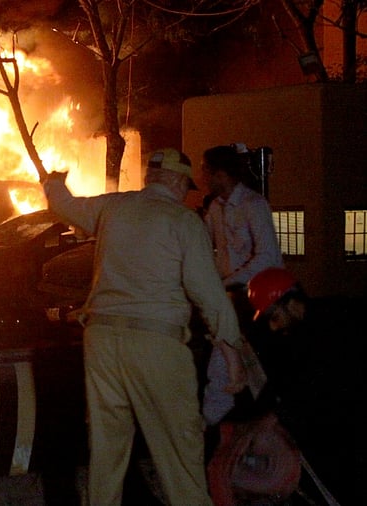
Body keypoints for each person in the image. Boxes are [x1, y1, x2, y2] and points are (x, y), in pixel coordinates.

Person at [44, 148, 245, 505]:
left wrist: (54, 183)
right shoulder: (183, 221)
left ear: (151, 177)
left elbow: (64, 205)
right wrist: (232, 353)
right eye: (185, 186)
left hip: (101, 341)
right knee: (179, 447)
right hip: (156, 344)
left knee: (107, 448)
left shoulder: (112, 207)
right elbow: (209, 295)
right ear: (178, 181)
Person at [239, 267, 361, 505]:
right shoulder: (299, 332)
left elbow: (318, 380)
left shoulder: (336, 323)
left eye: (274, 317)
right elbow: (286, 378)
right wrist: (257, 416)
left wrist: (275, 416)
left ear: (292, 304)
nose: (273, 327)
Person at [200, 145, 283, 427]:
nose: (202, 176)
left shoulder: (253, 205)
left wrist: (225, 283)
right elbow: (207, 249)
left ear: (220, 174)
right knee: (224, 364)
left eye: (206, 170)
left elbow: (268, 257)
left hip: (261, 301)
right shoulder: (215, 208)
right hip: (232, 300)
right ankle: (214, 425)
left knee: (253, 367)